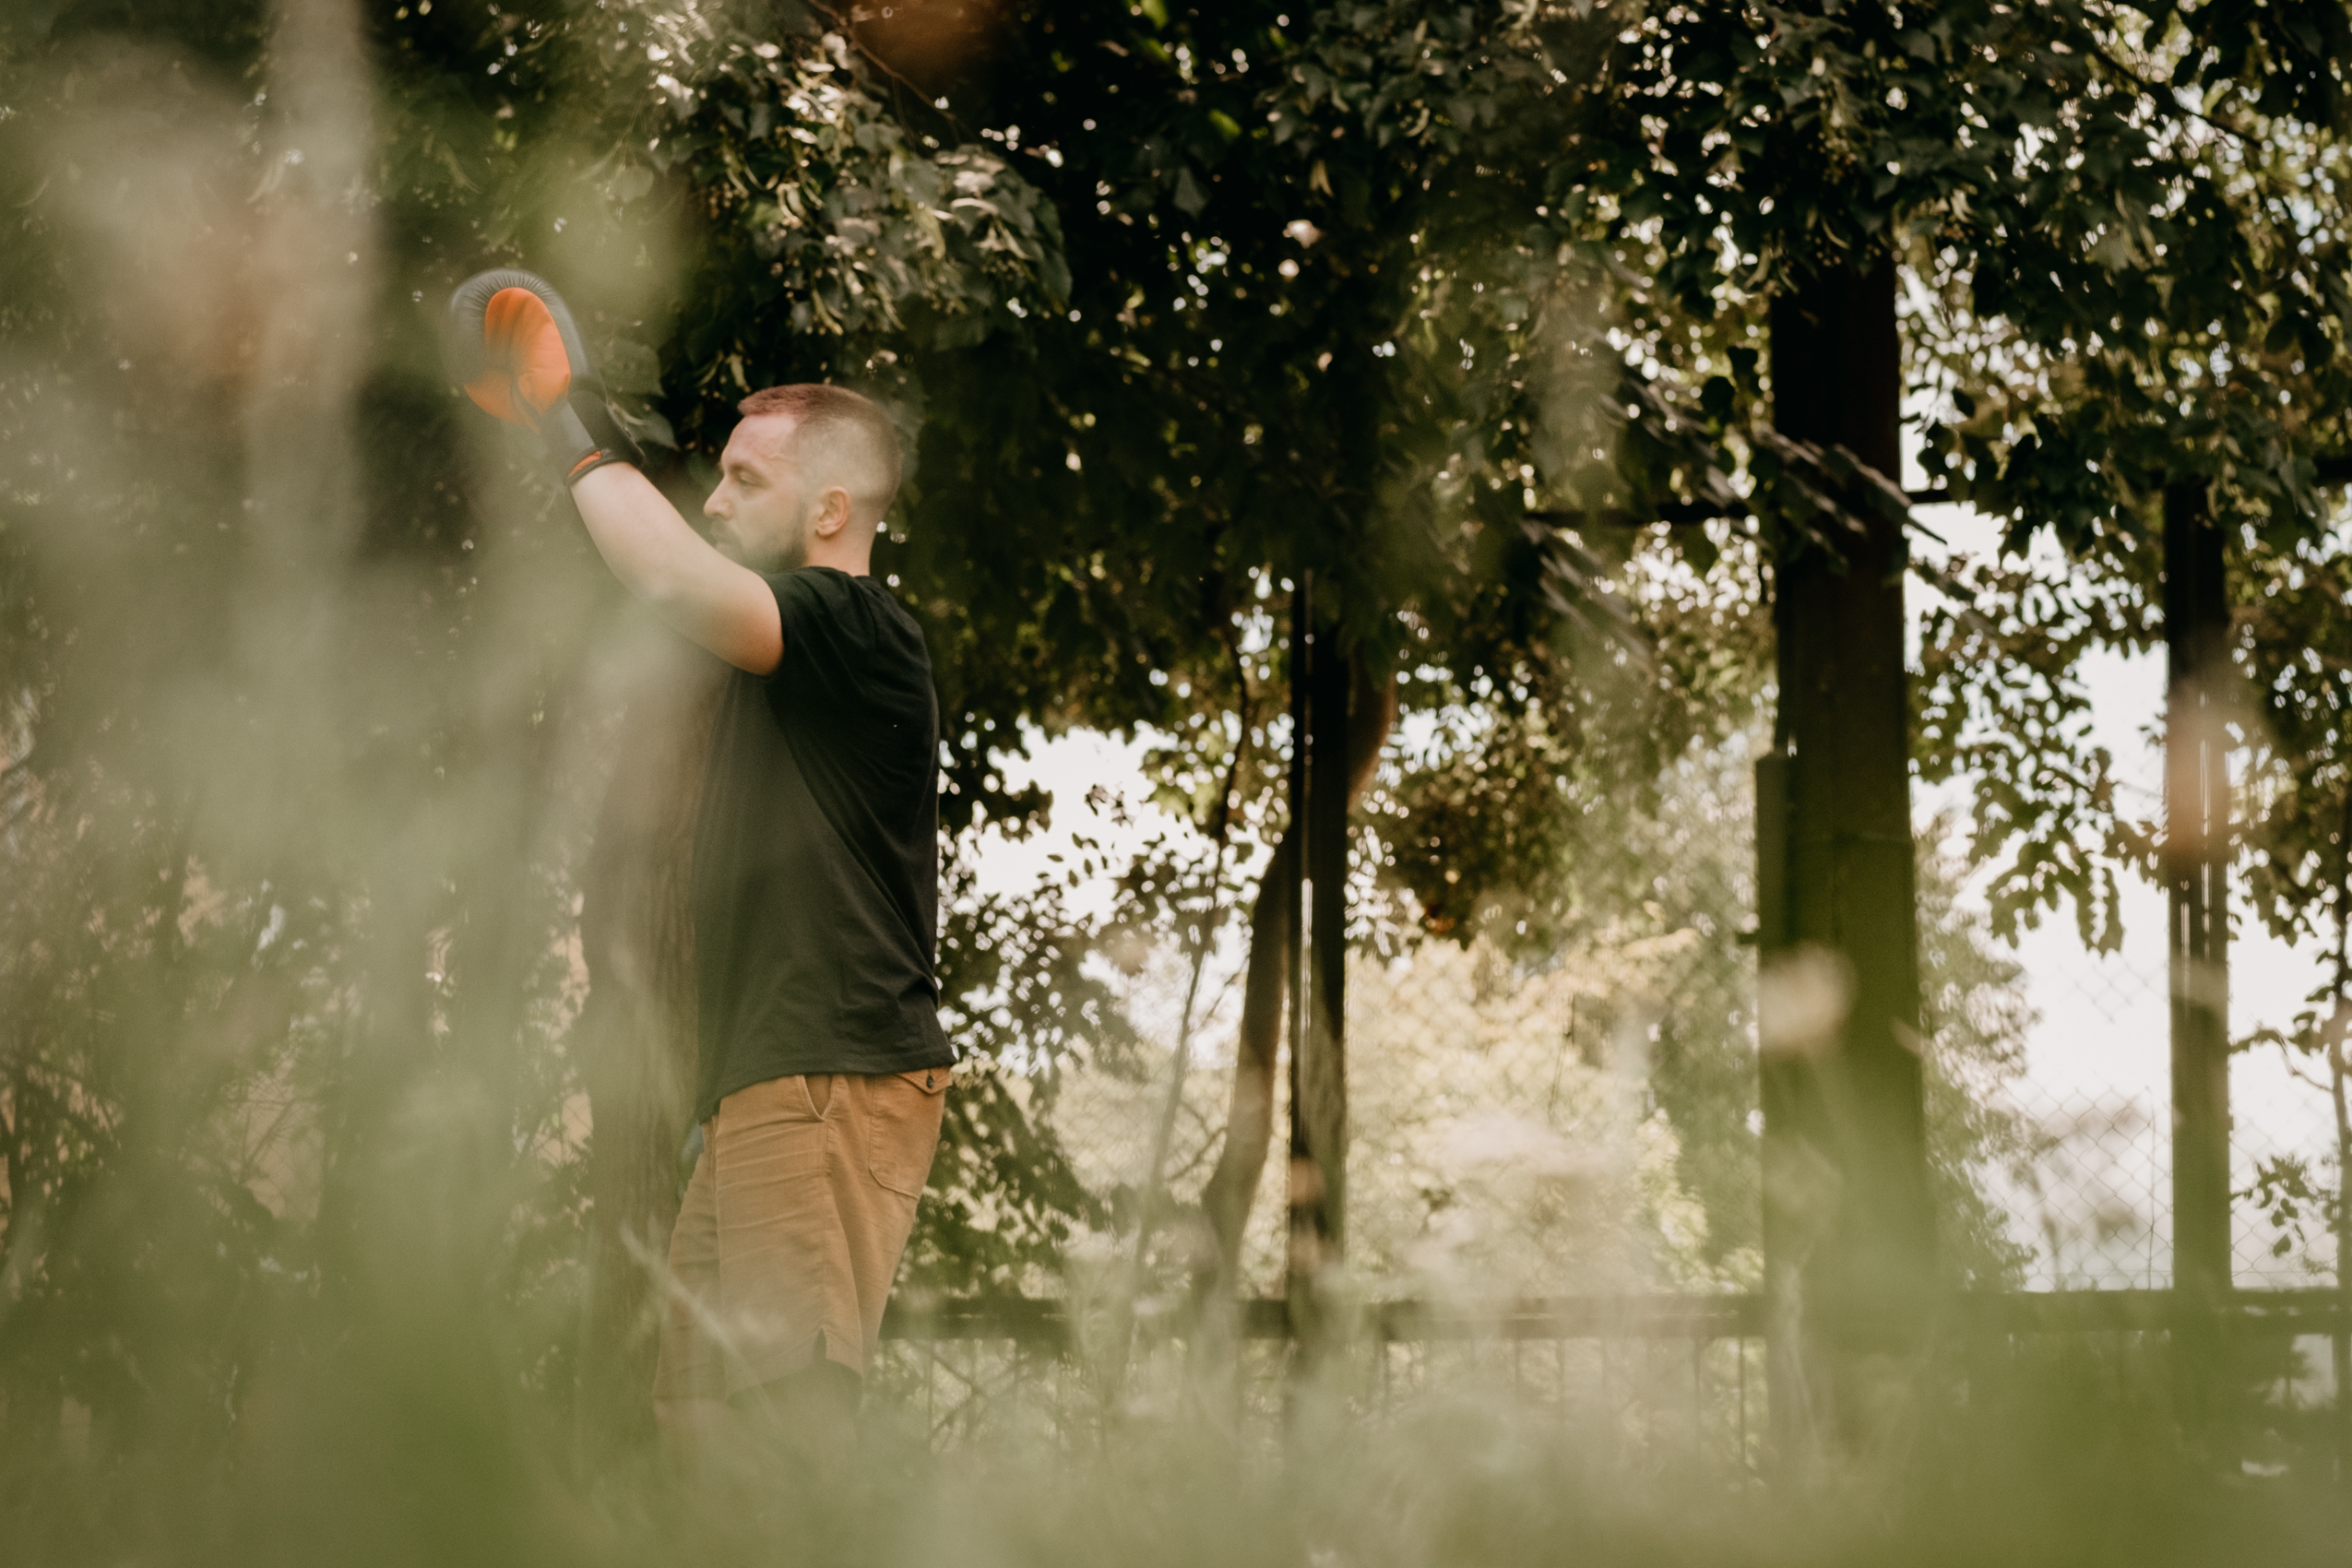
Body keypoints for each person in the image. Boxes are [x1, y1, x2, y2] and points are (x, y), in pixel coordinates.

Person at [445, 271, 956, 1473]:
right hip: (760, 1082)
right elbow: (668, 586)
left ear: (831, 511)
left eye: (745, 481)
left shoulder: (857, 630)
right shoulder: (784, 657)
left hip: (826, 1070)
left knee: (789, 1423)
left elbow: (671, 575)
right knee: (702, 1424)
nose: (716, 502)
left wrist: (569, 417)